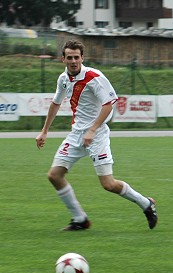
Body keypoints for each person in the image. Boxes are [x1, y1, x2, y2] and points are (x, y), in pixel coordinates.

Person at [35, 40, 158, 231]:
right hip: (76, 134)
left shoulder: (94, 77)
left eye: (77, 57)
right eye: (70, 57)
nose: (73, 61)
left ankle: (146, 203)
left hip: (97, 134)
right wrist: (44, 131)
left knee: (108, 184)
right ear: (63, 59)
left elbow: (108, 103)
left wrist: (93, 129)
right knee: (54, 175)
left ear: (82, 58)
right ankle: (80, 219)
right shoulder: (63, 79)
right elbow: (55, 103)